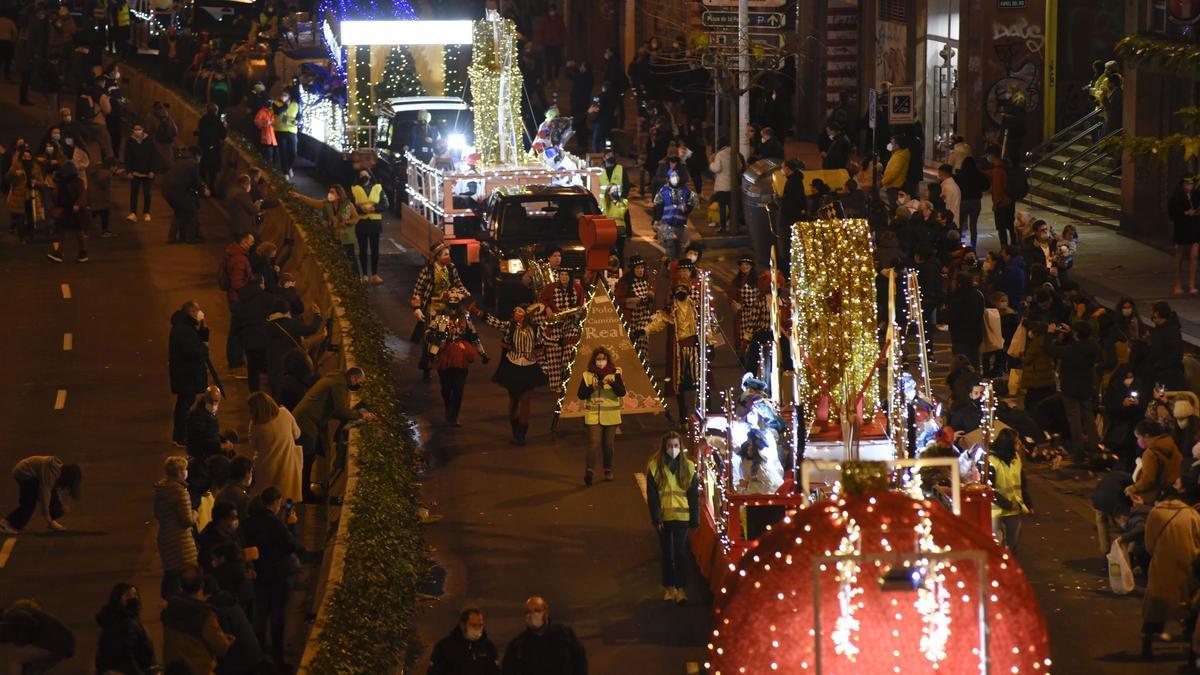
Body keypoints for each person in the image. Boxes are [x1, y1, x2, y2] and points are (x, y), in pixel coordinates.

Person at [471, 303, 550, 445]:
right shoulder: (509, 326)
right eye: (515, 311)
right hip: (512, 366)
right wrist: (477, 311)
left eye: (519, 312)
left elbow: (545, 343)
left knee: (526, 401)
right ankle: (515, 427)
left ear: (525, 314)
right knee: (514, 400)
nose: (516, 314)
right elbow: (493, 322)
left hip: (529, 367)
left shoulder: (536, 328)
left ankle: (522, 433)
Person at [292, 368, 375, 502]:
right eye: (360, 382)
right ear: (353, 378)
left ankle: (303, 491)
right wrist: (360, 415)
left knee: (308, 458)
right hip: (306, 422)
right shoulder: (339, 384)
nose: (359, 386)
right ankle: (304, 494)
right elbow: (340, 410)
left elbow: (335, 410)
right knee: (307, 459)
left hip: (306, 420)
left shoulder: (336, 378)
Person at [242, 487, 300, 667]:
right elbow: (291, 545)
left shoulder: (248, 523)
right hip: (278, 575)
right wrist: (291, 524)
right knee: (277, 616)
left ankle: (258, 656)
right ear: (275, 502)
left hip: (260, 573)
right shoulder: (276, 523)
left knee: (260, 616)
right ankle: (278, 658)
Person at [1141, 485, 1200, 661]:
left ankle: (1147, 641)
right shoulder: (1191, 514)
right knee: (1188, 608)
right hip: (1186, 566)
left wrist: (1159, 554)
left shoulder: (1155, 513)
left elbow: (1149, 543)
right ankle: (1191, 650)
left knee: (1156, 604)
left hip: (1161, 566)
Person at [645, 431, 699, 602]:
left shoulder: (689, 467)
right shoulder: (654, 467)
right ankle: (669, 587)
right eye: (669, 446)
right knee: (667, 554)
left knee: (680, 553)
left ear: (680, 447)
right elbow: (652, 496)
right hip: (664, 517)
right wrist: (656, 518)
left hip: (682, 518)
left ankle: (681, 589)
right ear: (664, 447)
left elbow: (693, 496)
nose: (673, 449)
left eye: (676, 446)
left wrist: (695, 519)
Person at [427, 293, 486, 427]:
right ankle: (449, 407)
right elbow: (429, 333)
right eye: (450, 306)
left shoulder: (465, 317)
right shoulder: (440, 318)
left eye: (455, 306)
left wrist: (482, 353)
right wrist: (434, 340)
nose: (453, 309)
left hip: (461, 354)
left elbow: (474, 335)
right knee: (446, 388)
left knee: (458, 389)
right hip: (444, 354)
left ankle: (454, 415)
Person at [1044, 321, 1101, 458]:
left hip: (1070, 388)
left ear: (1076, 334)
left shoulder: (1071, 350)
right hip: (1087, 386)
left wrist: (1049, 333)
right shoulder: (1093, 347)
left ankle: (1079, 450)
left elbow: (1049, 350)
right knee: (1089, 418)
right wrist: (1071, 333)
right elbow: (1081, 343)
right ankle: (1095, 446)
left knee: (1074, 420)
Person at [161, 566, 234, 674]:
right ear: (202, 585)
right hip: (198, 670)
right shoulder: (204, 614)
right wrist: (227, 641)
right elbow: (221, 648)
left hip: (174, 669)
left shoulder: (171, 607)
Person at [576, 347, 626, 485]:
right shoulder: (587, 375)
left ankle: (608, 470)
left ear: (608, 360)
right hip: (593, 415)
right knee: (593, 443)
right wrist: (593, 387)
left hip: (611, 415)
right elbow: (580, 394)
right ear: (594, 360)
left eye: (603, 359)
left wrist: (613, 384)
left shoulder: (615, 374)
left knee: (608, 445)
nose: (601, 361)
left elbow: (622, 392)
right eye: (598, 359)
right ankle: (589, 472)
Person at [500, 596, 586, 675]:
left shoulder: (565, 635)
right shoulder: (517, 646)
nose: (532, 615)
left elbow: (580, 662)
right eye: (528, 612)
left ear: (546, 611)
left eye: (537, 610)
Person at [538, 267, 586, 407]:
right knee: (553, 354)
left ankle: (567, 381)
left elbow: (581, 305)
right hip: (554, 325)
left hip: (570, 324)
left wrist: (578, 312)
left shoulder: (577, 288)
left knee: (569, 353)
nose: (564, 277)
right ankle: (555, 385)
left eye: (566, 274)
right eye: (562, 274)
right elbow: (542, 301)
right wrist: (547, 308)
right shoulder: (550, 288)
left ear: (571, 276)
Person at [0, 456, 81, 534]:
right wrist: (47, 517)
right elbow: (45, 493)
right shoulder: (51, 472)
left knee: (57, 505)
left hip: (31, 474)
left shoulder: (58, 471)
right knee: (29, 503)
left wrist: (61, 504)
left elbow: (54, 490)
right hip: (24, 473)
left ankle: (50, 523)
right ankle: (6, 524)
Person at [248, 391, 303, 505]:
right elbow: (297, 434)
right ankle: (289, 517)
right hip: (288, 465)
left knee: (269, 502)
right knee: (288, 498)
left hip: (266, 469)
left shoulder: (255, 426)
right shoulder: (285, 413)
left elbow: (253, 447)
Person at [169, 300, 211, 446]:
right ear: (191, 312)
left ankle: (181, 436)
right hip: (187, 374)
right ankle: (181, 437)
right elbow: (195, 351)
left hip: (186, 374)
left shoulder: (186, 327)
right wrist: (204, 347)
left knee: (184, 403)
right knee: (185, 405)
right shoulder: (184, 330)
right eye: (197, 310)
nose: (200, 312)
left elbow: (198, 340)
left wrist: (203, 328)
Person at [156, 456, 198, 599]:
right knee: (184, 574)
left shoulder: (161, 490)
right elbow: (186, 520)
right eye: (185, 469)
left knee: (170, 571)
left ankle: (170, 600)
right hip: (181, 540)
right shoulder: (180, 492)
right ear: (180, 472)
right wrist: (195, 514)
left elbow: (157, 513)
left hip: (165, 536)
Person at [265, 298, 324, 396]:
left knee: (275, 386)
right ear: (286, 311)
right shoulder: (291, 324)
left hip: (273, 361)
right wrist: (317, 315)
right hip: (289, 360)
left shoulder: (268, 325)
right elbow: (311, 329)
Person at [95, 583, 157, 675]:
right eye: (128, 595)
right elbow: (126, 657)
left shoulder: (113, 620)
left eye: (135, 595)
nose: (133, 598)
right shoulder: (127, 624)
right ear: (118, 599)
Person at [0, 599, 76, 674]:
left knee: (16, 659)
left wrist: (21, 642)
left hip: (57, 644)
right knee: (28, 669)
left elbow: (29, 622)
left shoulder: (10, 614)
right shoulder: (15, 614)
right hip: (64, 643)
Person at [987, 429, 1031, 552]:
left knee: (1012, 545)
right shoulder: (990, 461)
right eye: (1017, 442)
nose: (1020, 444)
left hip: (1013, 509)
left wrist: (1028, 502)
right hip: (995, 511)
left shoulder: (1016, 458)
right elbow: (988, 488)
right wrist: (1005, 503)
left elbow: (1022, 482)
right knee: (995, 546)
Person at [429, 606, 501, 675]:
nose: (477, 628)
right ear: (462, 625)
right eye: (473, 625)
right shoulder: (444, 647)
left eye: (480, 625)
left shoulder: (488, 647)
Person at [1126, 420, 1183, 505]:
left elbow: (1148, 479)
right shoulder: (1169, 443)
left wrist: (1133, 488)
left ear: (1146, 436)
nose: (1137, 440)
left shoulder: (1150, 453)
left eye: (1138, 437)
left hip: (1158, 494)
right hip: (1174, 489)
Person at [162, 146, 210, 244]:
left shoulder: (180, 160)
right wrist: (204, 191)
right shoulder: (193, 163)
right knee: (193, 212)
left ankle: (173, 237)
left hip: (166, 190)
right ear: (197, 156)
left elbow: (186, 178)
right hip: (177, 191)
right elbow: (196, 180)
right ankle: (191, 238)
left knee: (179, 212)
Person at [46, 161, 90, 263]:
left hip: (72, 210)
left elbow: (81, 195)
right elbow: (82, 194)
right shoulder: (76, 182)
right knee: (76, 231)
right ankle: (81, 253)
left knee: (69, 231)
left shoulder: (65, 183)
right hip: (72, 210)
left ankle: (61, 253)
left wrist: (77, 204)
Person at [614, 255, 655, 356]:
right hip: (631, 317)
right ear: (633, 269)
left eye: (642, 267)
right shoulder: (625, 282)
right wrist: (633, 301)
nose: (640, 270)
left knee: (643, 338)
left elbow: (652, 297)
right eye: (638, 268)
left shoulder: (646, 280)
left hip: (644, 315)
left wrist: (651, 296)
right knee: (631, 343)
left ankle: (644, 364)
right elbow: (618, 299)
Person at [653, 169, 698, 259]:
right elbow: (658, 205)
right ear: (668, 178)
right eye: (672, 176)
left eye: (676, 176)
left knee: (680, 247)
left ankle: (678, 268)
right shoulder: (664, 190)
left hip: (680, 223)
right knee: (670, 246)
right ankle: (670, 267)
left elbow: (693, 201)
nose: (675, 178)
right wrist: (657, 219)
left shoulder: (685, 190)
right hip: (667, 223)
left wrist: (687, 209)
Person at [351, 170, 385, 284]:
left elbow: (385, 204)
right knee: (362, 250)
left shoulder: (378, 188)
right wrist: (362, 210)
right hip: (361, 222)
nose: (363, 176)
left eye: (365, 174)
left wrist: (374, 209)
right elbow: (351, 205)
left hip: (375, 223)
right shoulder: (354, 189)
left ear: (370, 176)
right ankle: (364, 275)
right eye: (361, 175)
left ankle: (375, 275)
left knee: (375, 250)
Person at [1169, 177, 1200, 295]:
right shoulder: (1177, 196)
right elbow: (1173, 213)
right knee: (1179, 254)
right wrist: (1186, 213)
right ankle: (1177, 283)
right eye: (1188, 183)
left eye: (1192, 183)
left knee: (1195, 256)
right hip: (1182, 227)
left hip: (1194, 227)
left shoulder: (1196, 195)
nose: (1190, 185)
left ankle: (1192, 284)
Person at [984, 145, 1017, 247]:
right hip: (1010, 200)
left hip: (1002, 203)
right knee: (1011, 226)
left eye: (988, 156)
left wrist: (996, 204)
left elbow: (998, 189)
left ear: (992, 156)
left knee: (1001, 228)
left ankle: (1004, 248)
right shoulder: (1006, 166)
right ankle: (1014, 244)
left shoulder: (998, 170)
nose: (987, 158)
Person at [196, 501, 240, 573]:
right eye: (232, 518)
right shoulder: (207, 540)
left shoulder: (233, 535)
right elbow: (208, 566)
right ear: (222, 520)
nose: (235, 521)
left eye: (236, 518)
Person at [197, 103, 227, 192]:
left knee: (202, 169)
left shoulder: (203, 120)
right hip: (214, 149)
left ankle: (201, 188)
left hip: (203, 147)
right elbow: (223, 135)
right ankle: (211, 189)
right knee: (212, 171)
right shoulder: (218, 121)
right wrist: (225, 127)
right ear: (216, 111)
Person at [708, 137, 734, 232]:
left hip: (722, 185)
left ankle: (723, 227)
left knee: (722, 206)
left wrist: (711, 162)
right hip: (732, 185)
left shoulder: (720, 154)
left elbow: (716, 168)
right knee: (732, 207)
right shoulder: (734, 153)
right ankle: (731, 224)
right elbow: (739, 167)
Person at [272, 90, 299, 177]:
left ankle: (288, 167)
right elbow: (278, 112)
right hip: (280, 130)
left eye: (285, 95)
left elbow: (299, 115)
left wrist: (297, 120)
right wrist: (286, 105)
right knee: (283, 151)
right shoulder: (275, 104)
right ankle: (285, 172)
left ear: (289, 97)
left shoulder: (295, 105)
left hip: (292, 130)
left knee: (293, 152)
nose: (282, 97)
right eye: (282, 95)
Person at [881, 135, 911, 206]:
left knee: (893, 206)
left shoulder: (899, 157)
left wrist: (883, 182)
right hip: (894, 185)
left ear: (897, 145)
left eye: (892, 143)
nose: (890, 145)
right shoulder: (898, 154)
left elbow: (893, 173)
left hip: (894, 186)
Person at [254, 99, 277, 166]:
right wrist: (265, 123)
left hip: (275, 138)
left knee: (275, 157)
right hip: (266, 138)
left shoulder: (275, 112)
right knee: (268, 157)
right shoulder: (262, 111)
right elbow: (256, 122)